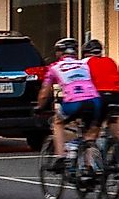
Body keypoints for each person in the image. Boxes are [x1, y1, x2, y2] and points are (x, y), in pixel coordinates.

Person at [36, 36, 103, 170]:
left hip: (74, 101)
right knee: (88, 135)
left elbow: (44, 93)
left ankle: (60, 156)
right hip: (95, 101)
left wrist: (39, 107)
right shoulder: (84, 64)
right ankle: (90, 169)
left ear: (59, 53)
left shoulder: (54, 67)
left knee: (57, 122)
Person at [82, 37, 119, 127]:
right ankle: (116, 139)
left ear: (86, 53)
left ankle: (90, 138)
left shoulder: (85, 62)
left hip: (101, 96)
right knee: (113, 121)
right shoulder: (110, 61)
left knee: (93, 123)